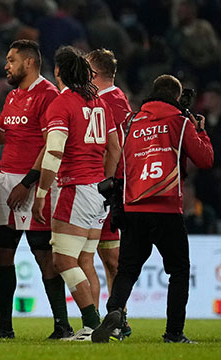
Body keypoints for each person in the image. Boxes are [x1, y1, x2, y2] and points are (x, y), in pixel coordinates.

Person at [0, 40, 72, 339]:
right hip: (7, 181)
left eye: (11, 59)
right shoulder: (13, 97)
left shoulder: (49, 95)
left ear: (29, 63)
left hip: (32, 184)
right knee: (1, 252)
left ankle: (62, 325)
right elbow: (3, 136)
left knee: (44, 254)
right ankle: (4, 326)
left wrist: (28, 182)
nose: (6, 65)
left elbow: (50, 145)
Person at [92, 75, 213, 343]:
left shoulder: (132, 122)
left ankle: (113, 312)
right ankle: (173, 334)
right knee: (179, 271)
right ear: (177, 97)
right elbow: (205, 160)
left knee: (127, 270)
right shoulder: (179, 122)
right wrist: (201, 130)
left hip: (134, 206)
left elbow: (121, 168)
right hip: (166, 206)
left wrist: (119, 205)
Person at [31, 45, 120, 341]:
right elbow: (115, 149)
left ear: (58, 72)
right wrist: (104, 182)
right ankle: (93, 325)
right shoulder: (100, 103)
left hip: (75, 187)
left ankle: (93, 323)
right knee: (83, 260)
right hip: (98, 192)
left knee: (62, 260)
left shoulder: (62, 103)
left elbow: (54, 151)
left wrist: (42, 192)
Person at [86, 48, 133, 337]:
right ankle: (116, 318)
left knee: (107, 258)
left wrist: (105, 185)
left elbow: (114, 148)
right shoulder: (118, 98)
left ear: (93, 74)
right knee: (107, 257)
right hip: (112, 187)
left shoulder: (107, 101)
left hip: (108, 189)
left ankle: (116, 319)